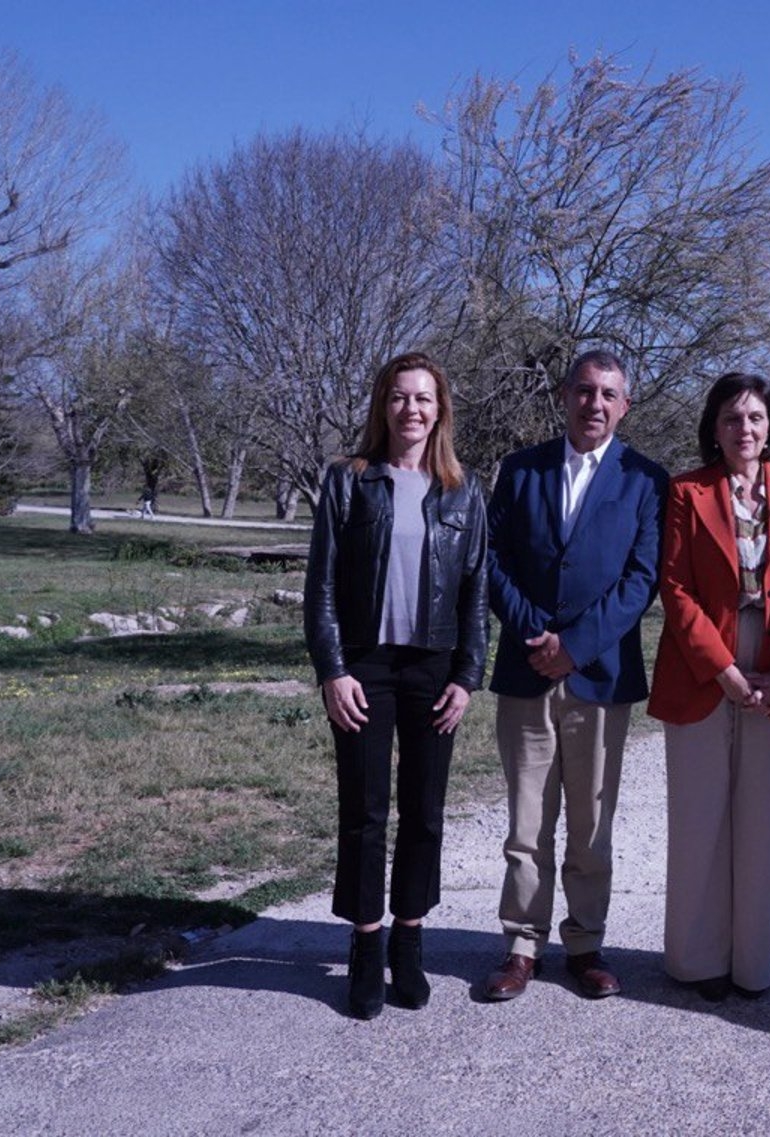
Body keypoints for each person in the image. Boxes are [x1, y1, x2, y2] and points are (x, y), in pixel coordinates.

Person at [303, 350, 489, 1020]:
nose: (412, 409)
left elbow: (475, 592)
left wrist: (468, 675)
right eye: (399, 397)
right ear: (383, 406)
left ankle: (409, 942)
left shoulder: (463, 489)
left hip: (433, 669)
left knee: (425, 812)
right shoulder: (349, 482)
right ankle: (364, 944)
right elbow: (320, 586)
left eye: (424, 398)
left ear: (441, 410)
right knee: (364, 812)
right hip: (364, 667)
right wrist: (332, 669)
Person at [480, 349, 669, 1002]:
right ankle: (522, 944)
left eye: (608, 393)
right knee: (527, 822)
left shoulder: (646, 479)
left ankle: (585, 943)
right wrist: (538, 635)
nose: (594, 403)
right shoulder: (521, 470)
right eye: (583, 390)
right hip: (526, 668)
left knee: (590, 822)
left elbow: (641, 578)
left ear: (625, 404)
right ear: (563, 396)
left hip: (600, 675)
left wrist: (577, 645)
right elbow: (493, 557)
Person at [648, 372, 770, 1001]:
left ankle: (754, 964)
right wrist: (722, 668)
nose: (743, 429)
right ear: (713, 428)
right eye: (730, 418)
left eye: (754, 417)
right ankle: (697, 962)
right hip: (703, 665)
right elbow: (676, 588)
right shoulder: (686, 491)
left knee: (763, 821)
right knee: (699, 820)